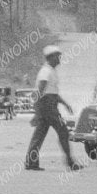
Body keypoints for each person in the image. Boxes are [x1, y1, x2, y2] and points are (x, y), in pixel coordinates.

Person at [24, 44, 81, 172]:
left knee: (39, 135)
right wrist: (37, 111)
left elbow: (53, 93)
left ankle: (31, 163)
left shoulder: (51, 71)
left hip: (49, 106)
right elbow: (40, 91)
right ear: (51, 57)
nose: (60, 58)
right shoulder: (46, 71)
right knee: (63, 132)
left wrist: (64, 104)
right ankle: (70, 163)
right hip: (48, 108)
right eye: (58, 56)